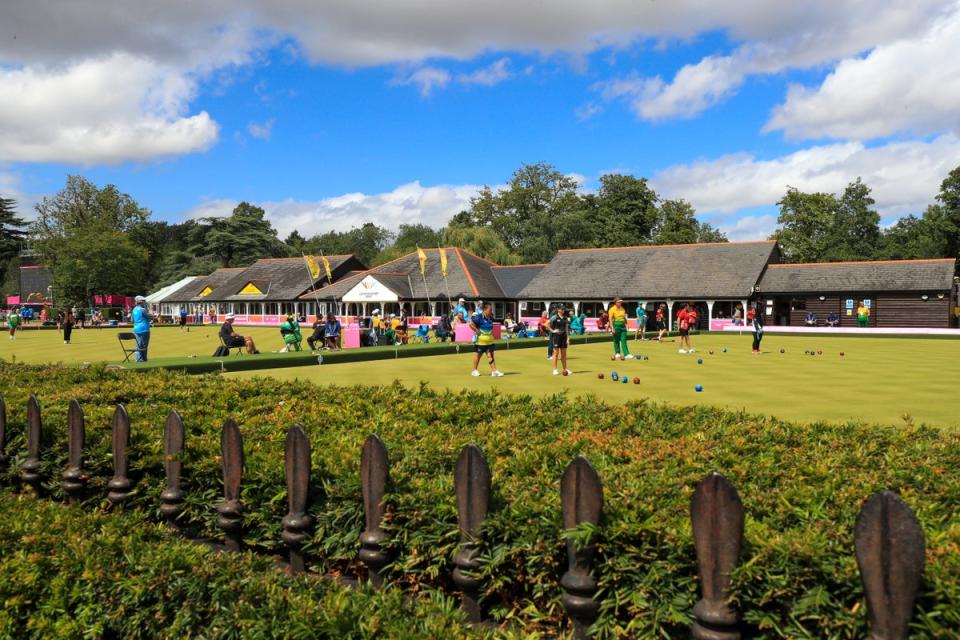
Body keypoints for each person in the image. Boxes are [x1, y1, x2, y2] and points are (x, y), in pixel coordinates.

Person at [469, 301, 503, 377]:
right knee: (478, 356)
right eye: (490, 309)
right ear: (484, 310)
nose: (491, 311)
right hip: (480, 342)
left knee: (490, 355)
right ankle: (474, 370)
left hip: (489, 341)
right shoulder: (479, 317)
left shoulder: (491, 317)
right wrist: (476, 330)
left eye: (491, 309)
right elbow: (470, 324)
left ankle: (494, 371)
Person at [550, 304, 571, 376]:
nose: (563, 310)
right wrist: (552, 331)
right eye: (562, 309)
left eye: (564, 309)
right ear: (558, 309)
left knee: (564, 354)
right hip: (556, 337)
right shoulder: (554, 317)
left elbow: (566, 329)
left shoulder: (565, 318)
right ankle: (555, 370)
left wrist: (568, 338)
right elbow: (546, 324)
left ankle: (565, 369)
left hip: (564, 337)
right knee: (556, 353)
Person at [131, 295, 151, 360]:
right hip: (144, 329)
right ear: (141, 302)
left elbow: (132, 320)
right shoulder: (143, 309)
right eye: (143, 301)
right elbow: (149, 318)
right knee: (144, 345)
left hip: (136, 329)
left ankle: (138, 359)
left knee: (138, 345)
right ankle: (144, 359)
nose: (144, 302)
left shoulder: (134, 309)